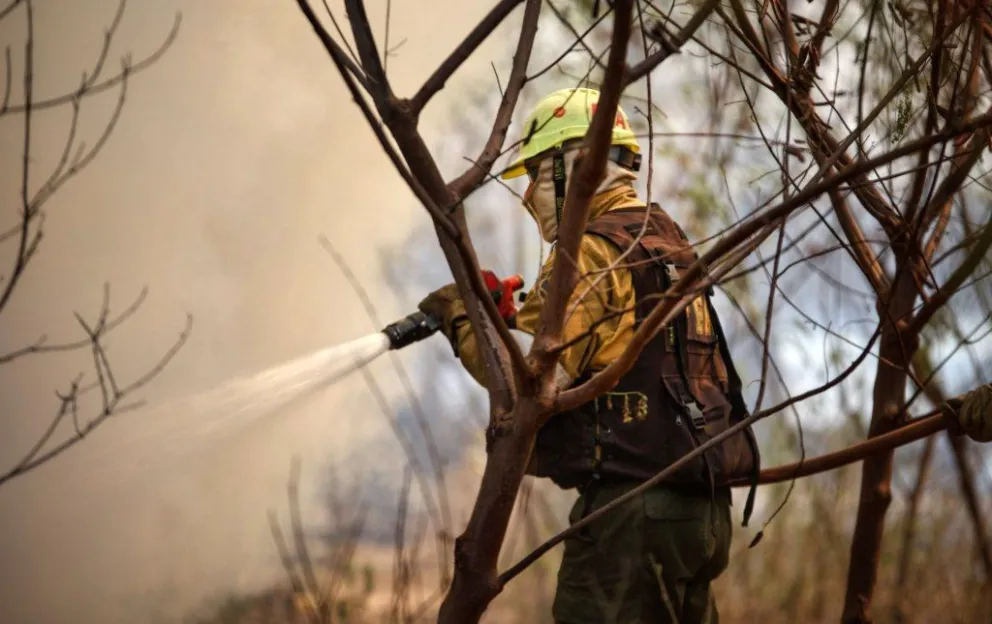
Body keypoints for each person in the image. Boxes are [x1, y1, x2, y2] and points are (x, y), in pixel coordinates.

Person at [418, 87, 761, 624]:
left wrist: (462, 313)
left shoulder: (592, 250)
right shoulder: (662, 238)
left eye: (535, 173)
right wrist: (509, 321)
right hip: (701, 509)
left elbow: (521, 382)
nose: (529, 193)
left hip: (634, 515)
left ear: (575, 165)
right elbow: (601, 350)